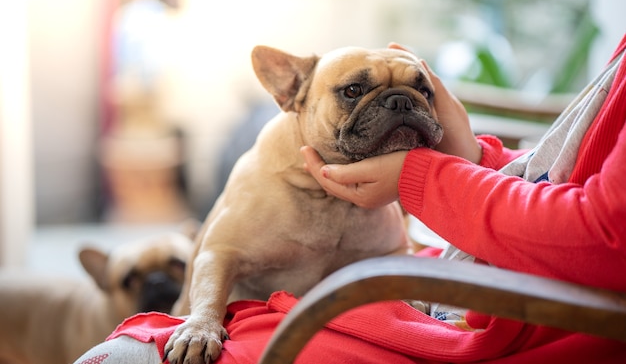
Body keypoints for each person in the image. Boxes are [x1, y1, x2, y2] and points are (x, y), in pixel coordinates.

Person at [73, 34, 626, 364]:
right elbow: (219, 254)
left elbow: (603, 236)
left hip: (529, 312)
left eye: (417, 93)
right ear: (292, 95)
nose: (399, 107)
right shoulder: (266, 178)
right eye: (356, 92)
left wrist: (423, 179)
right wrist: (476, 159)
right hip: (491, 277)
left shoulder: (391, 197)